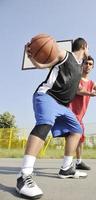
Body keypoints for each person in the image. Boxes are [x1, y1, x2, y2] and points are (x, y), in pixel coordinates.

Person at [16, 37, 89, 199]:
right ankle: (24, 176)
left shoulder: (79, 68)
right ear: (85, 46)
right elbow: (42, 65)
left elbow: (75, 90)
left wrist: (91, 93)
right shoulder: (64, 54)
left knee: (76, 129)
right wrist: (32, 57)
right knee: (45, 124)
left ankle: (66, 168)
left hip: (63, 106)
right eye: (88, 49)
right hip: (47, 96)